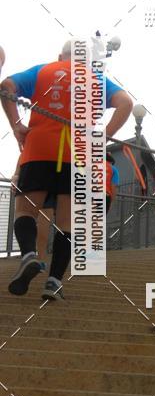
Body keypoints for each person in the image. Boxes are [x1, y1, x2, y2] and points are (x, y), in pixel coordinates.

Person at [0, 41, 132, 300]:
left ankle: (28, 255)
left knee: (26, 210)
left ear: (61, 56)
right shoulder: (96, 79)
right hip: (79, 153)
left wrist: (16, 125)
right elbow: (125, 102)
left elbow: (6, 87)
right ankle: (53, 282)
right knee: (68, 222)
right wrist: (103, 136)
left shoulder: (44, 70)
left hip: (40, 146)